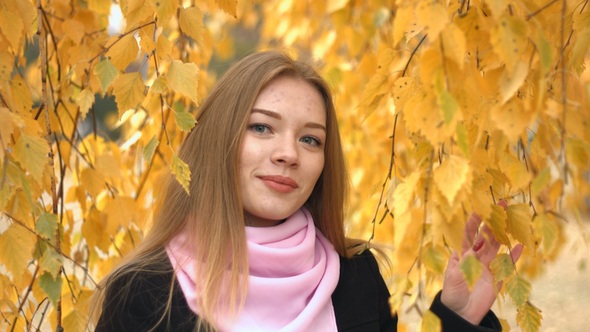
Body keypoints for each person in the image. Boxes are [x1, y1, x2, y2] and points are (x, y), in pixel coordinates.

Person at [92, 50, 522, 331]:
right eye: (261, 127)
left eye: (310, 139)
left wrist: (459, 317)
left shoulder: (355, 274)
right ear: (217, 140)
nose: (289, 154)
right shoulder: (145, 291)